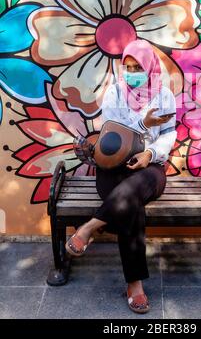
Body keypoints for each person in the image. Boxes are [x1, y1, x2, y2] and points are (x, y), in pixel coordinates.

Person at [66, 39, 177, 314]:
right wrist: (143, 124)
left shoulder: (164, 96)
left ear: (149, 66)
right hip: (113, 165)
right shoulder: (114, 93)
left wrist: (150, 155)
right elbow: (114, 134)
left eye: (137, 66)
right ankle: (135, 284)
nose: (131, 72)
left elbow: (169, 133)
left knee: (134, 191)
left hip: (149, 167)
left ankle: (90, 227)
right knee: (130, 204)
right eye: (127, 66)